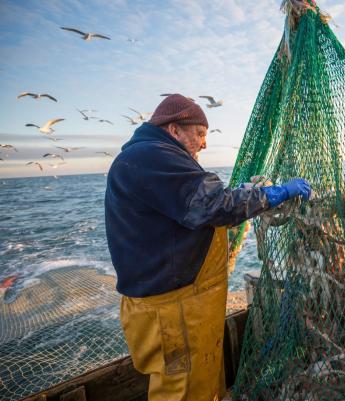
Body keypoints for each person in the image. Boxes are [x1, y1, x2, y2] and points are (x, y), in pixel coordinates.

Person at [105, 94, 311, 401]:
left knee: (200, 383)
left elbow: (191, 210)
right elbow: (212, 206)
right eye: (199, 134)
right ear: (174, 130)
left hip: (182, 305)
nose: (204, 143)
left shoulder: (148, 156)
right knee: (182, 391)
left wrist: (242, 193)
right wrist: (276, 193)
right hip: (173, 311)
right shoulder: (151, 157)